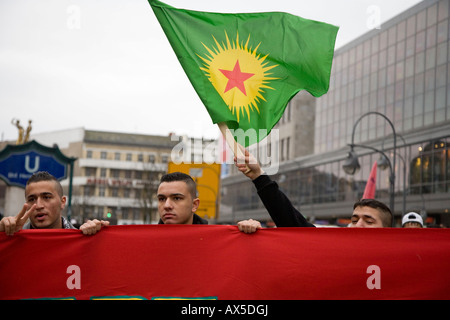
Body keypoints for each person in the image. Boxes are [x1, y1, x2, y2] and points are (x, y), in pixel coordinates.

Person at [235, 149, 393, 228]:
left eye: (369, 221)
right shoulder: (330, 247)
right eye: (354, 220)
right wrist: (259, 176)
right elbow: (292, 223)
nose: (358, 225)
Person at [81, 172, 260, 234]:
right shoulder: (144, 241)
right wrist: (94, 238)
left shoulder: (221, 242)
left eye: (176, 198)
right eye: (161, 199)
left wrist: (253, 236)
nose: (167, 205)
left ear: (195, 204)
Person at [0, 171, 76, 235]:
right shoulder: (14, 237)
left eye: (47, 197)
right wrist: (4, 235)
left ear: (62, 202)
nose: (38, 206)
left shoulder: (81, 242)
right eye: (32, 199)